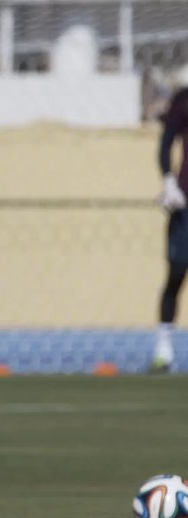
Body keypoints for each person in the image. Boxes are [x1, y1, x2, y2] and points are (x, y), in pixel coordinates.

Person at [151, 69, 188, 373]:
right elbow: (165, 144)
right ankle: (164, 348)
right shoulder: (183, 101)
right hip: (186, 202)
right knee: (177, 272)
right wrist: (168, 182)